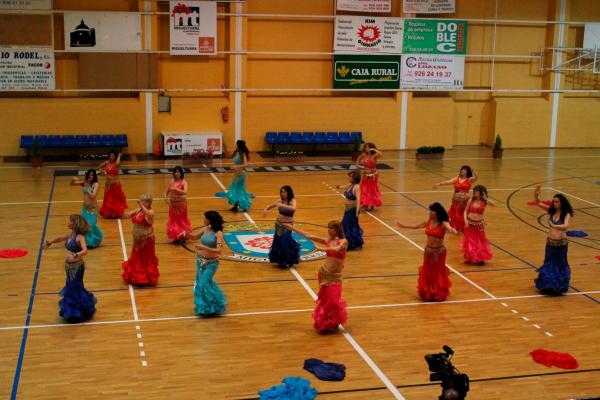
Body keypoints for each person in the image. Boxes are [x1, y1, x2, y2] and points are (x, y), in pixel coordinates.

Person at [284, 221, 348, 333]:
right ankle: (326, 324)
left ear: (337, 230)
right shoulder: (327, 241)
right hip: (324, 273)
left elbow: (337, 249)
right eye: (328, 228)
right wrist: (291, 228)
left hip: (336, 276)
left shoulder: (343, 241)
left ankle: (333, 321)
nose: (329, 230)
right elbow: (309, 236)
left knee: (333, 301)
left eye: (332, 228)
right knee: (325, 300)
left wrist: (322, 249)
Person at [397, 203, 458, 302]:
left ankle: (438, 292)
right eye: (429, 210)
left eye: (432, 211)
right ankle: (429, 292)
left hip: (439, 253)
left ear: (437, 212)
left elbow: (449, 227)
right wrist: (404, 226)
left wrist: (453, 230)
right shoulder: (428, 221)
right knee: (428, 271)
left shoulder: (442, 223)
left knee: (437, 271)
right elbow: (416, 226)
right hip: (428, 251)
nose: (429, 212)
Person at [44, 214, 96, 323]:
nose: (68, 223)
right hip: (69, 268)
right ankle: (75, 311)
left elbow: (85, 250)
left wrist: (76, 255)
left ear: (74, 224)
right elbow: (60, 238)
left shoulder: (79, 237)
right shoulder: (71, 235)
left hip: (77, 268)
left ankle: (76, 313)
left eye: (70, 222)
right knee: (71, 287)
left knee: (74, 288)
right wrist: (50, 242)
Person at [184, 211, 227, 316]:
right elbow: (194, 237)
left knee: (204, 283)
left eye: (204, 218)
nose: (203, 220)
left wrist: (204, 247)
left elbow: (219, 250)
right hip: (200, 261)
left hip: (211, 263)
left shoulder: (218, 233)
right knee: (201, 283)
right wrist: (186, 234)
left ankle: (216, 303)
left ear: (210, 220)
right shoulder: (205, 229)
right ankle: (206, 307)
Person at [533, 186, 574, 295]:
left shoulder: (566, 214)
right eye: (554, 201)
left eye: (557, 202)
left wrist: (554, 225)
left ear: (562, 203)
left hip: (561, 245)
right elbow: (538, 203)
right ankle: (548, 286)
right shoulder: (551, 211)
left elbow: (565, 226)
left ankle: (558, 286)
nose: (555, 203)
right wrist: (536, 195)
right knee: (549, 263)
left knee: (560, 264)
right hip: (550, 243)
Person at [121, 194, 159, 286]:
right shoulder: (139, 210)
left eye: (143, 201)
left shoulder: (150, 212)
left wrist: (141, 205)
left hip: (146, 240)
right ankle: (136, 277)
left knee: (145, 259)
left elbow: (148, 214)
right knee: (136, 258)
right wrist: (125, 215)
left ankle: (144, 279)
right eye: (141, 200)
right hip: (137, 240)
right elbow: (129, 214)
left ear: (148, 202)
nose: (141, 203)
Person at [263, 185, 300, 268]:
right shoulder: (280, 201)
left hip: (287, 226)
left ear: (288, 192)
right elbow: (270, 206)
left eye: (284, 192)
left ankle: (285, 261)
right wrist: (266, 209)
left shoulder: (292, 201)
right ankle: (280, 260)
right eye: (281, 192)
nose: (282, 193)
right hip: (278, 224)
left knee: (284, 243)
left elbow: (294, 208)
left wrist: (282, 205)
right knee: (278, 242)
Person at [433, 166, 478, 232]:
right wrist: (439, 184)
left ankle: (464, 227)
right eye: (462, 169)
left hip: (465, 201)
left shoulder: (469, 180)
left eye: (464, 170)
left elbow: (476, 178)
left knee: (463, 213)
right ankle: (455, 227)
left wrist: (474, 171)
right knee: (455, 214)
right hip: (456, 200)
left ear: (467, 172)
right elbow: (448, 182)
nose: (462, 171)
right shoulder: (456, 178)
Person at [216, 140, 254, 212]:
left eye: (236, 144)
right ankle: (239, 206)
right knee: (235, 191)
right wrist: (224, 148)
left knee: (238, 191)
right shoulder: (236, 152)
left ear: (239, 145)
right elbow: (227, 156)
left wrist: (236, 166)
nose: (235, 145)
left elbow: (246, 164)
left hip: (241, 175)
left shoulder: (242, 154)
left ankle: (241, 206)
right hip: (236, 175)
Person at [461, 185, 494, 265]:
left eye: (477, 191)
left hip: (479, 224)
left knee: (479, 241)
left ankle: (480, 259)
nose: (475, 192)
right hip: (470, 223)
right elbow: (465, 211)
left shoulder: (484, 202)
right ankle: (469, 258)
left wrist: (485, 198)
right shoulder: (470, 200)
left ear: (481, 193)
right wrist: (465, 220)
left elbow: (493, 204)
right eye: (474, 191)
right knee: (469, 241)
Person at [71, 169, 104, 248]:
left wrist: (86, 187)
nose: (90, 176)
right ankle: (87, 242)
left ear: (94, 176)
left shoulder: (95, 184)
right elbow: (72, 184)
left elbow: (93, 196)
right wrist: (73, 179)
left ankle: (94, 241)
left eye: (92, 175)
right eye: (89, 174)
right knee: (83, 226)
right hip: (85, 209)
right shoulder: (84, 182)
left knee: (89, 225)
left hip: (93, 209)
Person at [336, 171, 363, 250]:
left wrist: (357, 211)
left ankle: (351, 245)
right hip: (347, 209)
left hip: (352, 210)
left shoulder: (357, 187)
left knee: (348, 227)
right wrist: (339, 186)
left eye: (350, 177)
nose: (349, 178)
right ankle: (354, 243)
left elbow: (358, 199)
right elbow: (344, 187)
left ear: (354, 178)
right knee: (346, 226)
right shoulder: (351, 185)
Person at [166, 166, 192, 242]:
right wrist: (165, 197)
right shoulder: (171, 182)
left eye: (178, 172)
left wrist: (176, 189)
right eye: (175, 172)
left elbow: (185, 192)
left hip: (181, 205)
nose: (177, 173)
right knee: (173, 220)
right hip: (172, 205)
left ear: (181, 173)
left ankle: (183, 236)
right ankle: (175, 236)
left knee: (181, 220)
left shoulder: (184, 182)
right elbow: (166, 191)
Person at [98, 150, 128, 218]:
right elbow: (99, 166)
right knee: (108, 199)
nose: (111, 157)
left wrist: (119, 156)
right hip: (108, 185)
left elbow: (117, 163)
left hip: (115, 184)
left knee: (116, 199)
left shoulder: (116, 164)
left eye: (113, 156)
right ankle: (109, 213)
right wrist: (102, 172)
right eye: (110, 155)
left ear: (115, 157)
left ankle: (116, 213)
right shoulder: (106, 162)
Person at [356, 142, 383, 211]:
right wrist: (357, 165)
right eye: (365, 147)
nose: (366, 148)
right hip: (364, 175)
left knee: (371, 190)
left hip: (373, 176)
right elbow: (358, 158)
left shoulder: (374, 156)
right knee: (364, 189)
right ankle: (365, 203)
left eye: (368, 147)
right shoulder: (364, 155)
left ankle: (371, 205)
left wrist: (374, 149)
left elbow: (381, 154)